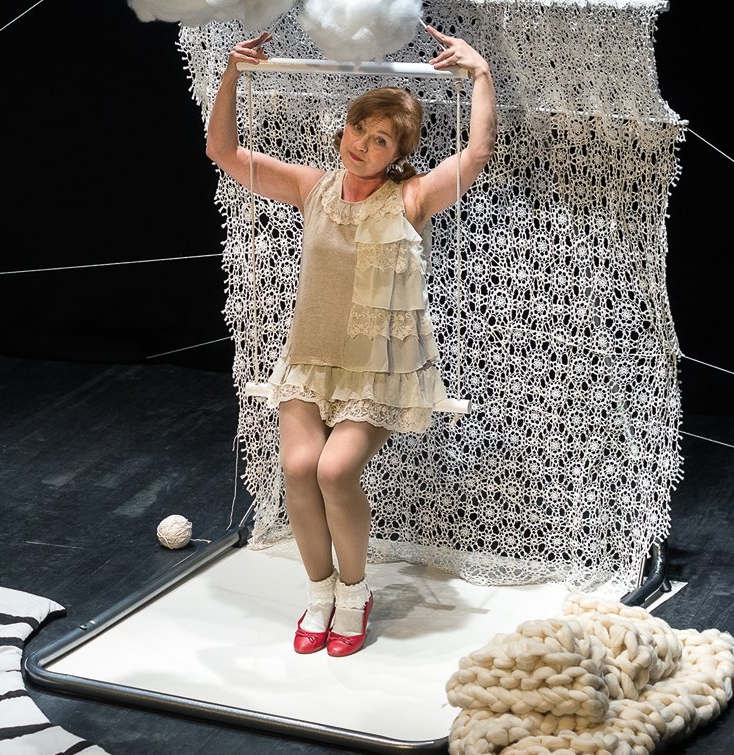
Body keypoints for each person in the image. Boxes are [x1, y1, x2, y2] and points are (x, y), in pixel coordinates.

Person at [205, 26, 495, 657]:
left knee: (335, 471)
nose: (361, 145)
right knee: (297, 468)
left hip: (374, 368)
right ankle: (320, 595)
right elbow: (222, 150)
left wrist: (479, 74)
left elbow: (476, 155)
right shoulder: (312, 187)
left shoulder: (411, 197)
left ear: (397, 155)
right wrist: (231, 74)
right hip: (311, 358)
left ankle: (355, 595)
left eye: (380, 140)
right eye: (358, 130)